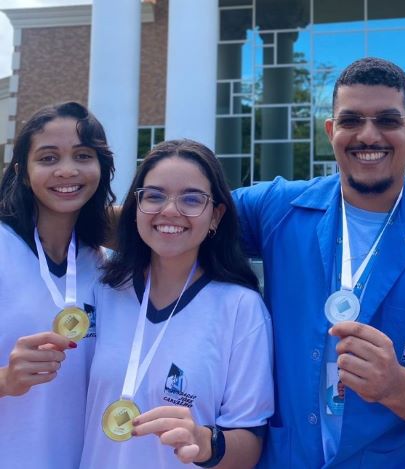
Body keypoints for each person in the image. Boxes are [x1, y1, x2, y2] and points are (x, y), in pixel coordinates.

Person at [234, 57, 405, 467]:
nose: (367, 135)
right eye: (351, 121)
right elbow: (173, 218)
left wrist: (397, 385)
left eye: (387, 120)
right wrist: (98, 211)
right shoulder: (279, 211)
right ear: (331, 131)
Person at [80, 139, 273, 469]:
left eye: (191, 199)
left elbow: (250, 442)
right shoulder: (102, 285)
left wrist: (204, 441)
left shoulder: (241, 308)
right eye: (154, 196)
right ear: (136, 207)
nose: (170, 210)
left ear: (216, 215)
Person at [0, 101, 115, 469]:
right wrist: (5, 379)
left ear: (101, 168)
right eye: (48, 158)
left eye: (83, 156)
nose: (67, 171)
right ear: (22, 170)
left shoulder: (107, 268)